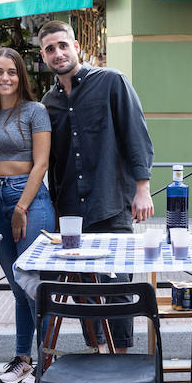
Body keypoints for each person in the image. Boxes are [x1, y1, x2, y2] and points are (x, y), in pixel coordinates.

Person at [39, 19, 154, 362]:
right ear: (44, 57)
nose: (58, 53)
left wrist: (142, 188)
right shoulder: (49, 102)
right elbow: (55, 160)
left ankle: (119, 362)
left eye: (62, 45)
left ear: (76, 47)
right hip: (71, 213)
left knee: (117, 284)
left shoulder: (111, 82)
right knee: (83, 288)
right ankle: (101, 350)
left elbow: (136, 134)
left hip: (111, 201)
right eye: (49, 49)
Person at [0, 48, 56, 383]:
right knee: (17, 286)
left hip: (27, 199)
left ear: (21, 75)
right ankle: (23, 359)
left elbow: (41, 164)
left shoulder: (35, 111)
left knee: (34, 286)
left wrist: (21, 207)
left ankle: (46, 359)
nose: (5, 78)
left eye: (11, 72)